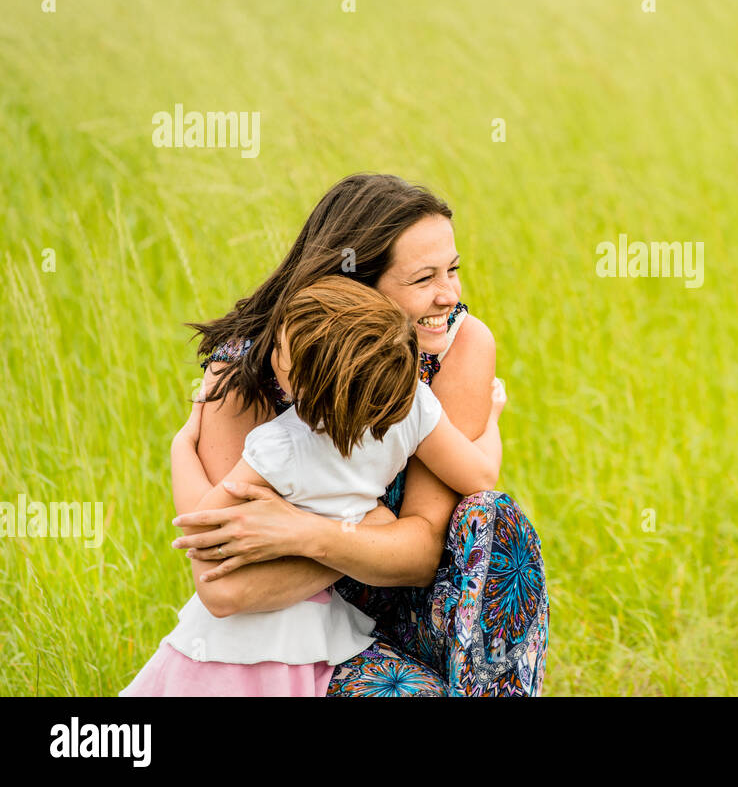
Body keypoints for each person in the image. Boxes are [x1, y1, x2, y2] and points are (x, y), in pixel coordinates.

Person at [168, 173, 547, 696]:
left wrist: (306, 532)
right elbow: (225, 587)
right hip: (299, 633)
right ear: (351, 288)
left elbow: (421, 554)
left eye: (453, 270)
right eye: (423, 280)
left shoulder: (455, 346)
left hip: (416, 610)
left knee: (495, 520)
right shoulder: (248, 374)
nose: (450, 296)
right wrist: (372, 528)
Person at [124, 277, 509, 695]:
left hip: (240, 637)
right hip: (316, 629)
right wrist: (490, 422)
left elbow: (204, 522)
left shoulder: (283, 443)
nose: (272, 352)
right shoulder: (414, 407)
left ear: (304, 385)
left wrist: (182, 447)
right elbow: (482, 475)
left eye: (281, 350)